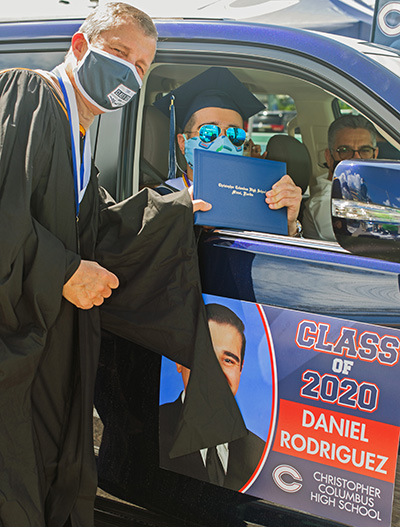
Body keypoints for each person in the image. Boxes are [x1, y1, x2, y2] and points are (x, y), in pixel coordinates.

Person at [0, 4, 243, 526]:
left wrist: (180, 205)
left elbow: (93, 229)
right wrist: (65, 270)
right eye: (118, 53)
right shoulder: (28, 95)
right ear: (80, 46)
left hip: (42, 352)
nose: (129, 71)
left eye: (141, 65)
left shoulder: (80, 135)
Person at [153, 67, 303, 237]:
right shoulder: (164, 200)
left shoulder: (262, 197)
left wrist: (289, 225)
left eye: (235, 134)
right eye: (208, 132)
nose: (223, 142)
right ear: (183, 143)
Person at [159, 303, 266, 491]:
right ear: (179, 361)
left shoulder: (258, 452)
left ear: (240, 371)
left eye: (228, 360)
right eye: (204, 353)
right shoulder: (150, 426)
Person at [302, 114, 378, 241]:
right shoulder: (324, 203)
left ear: (375, 154)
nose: (356, 158)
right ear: (329, 157)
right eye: (344, 150)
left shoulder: (361, 189)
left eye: (365, 150)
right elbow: (367, 241)